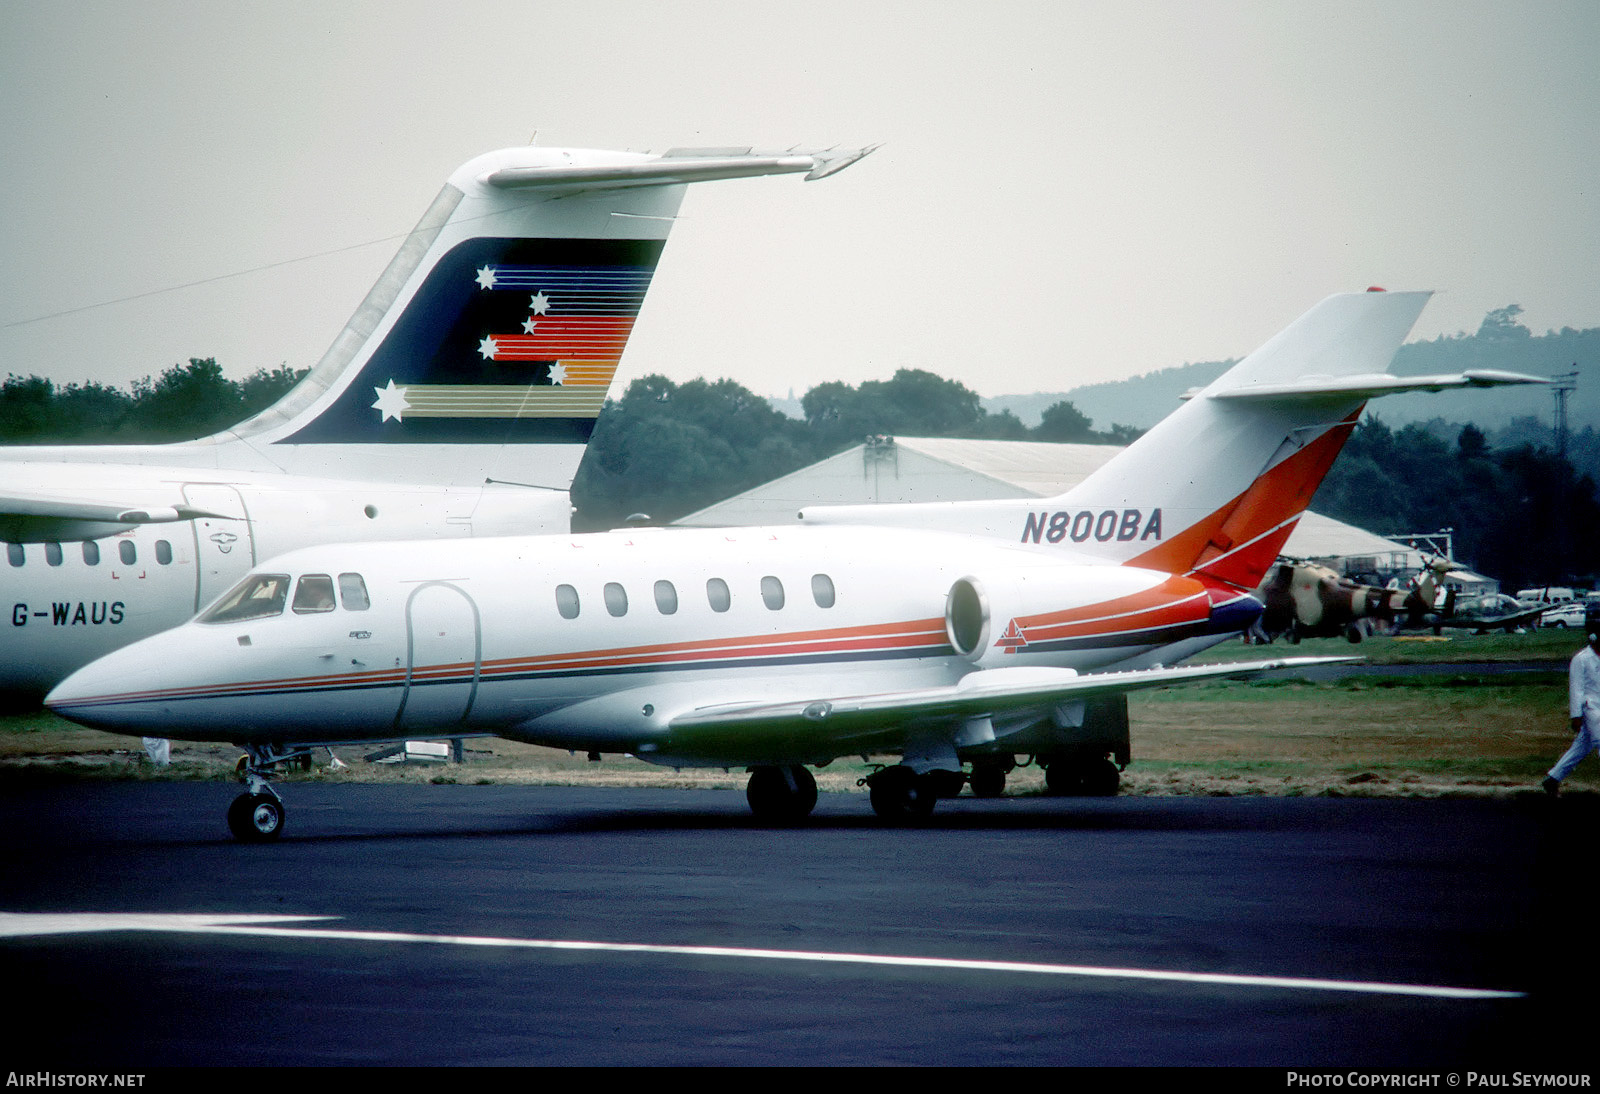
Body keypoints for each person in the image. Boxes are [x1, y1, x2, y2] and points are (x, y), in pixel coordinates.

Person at [1544, 608, 1600, 795]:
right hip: (1590, 708)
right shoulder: (1581, 659)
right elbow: (1576, 688)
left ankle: (1553, 778)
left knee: (1582, 745)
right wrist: (1576, 715)